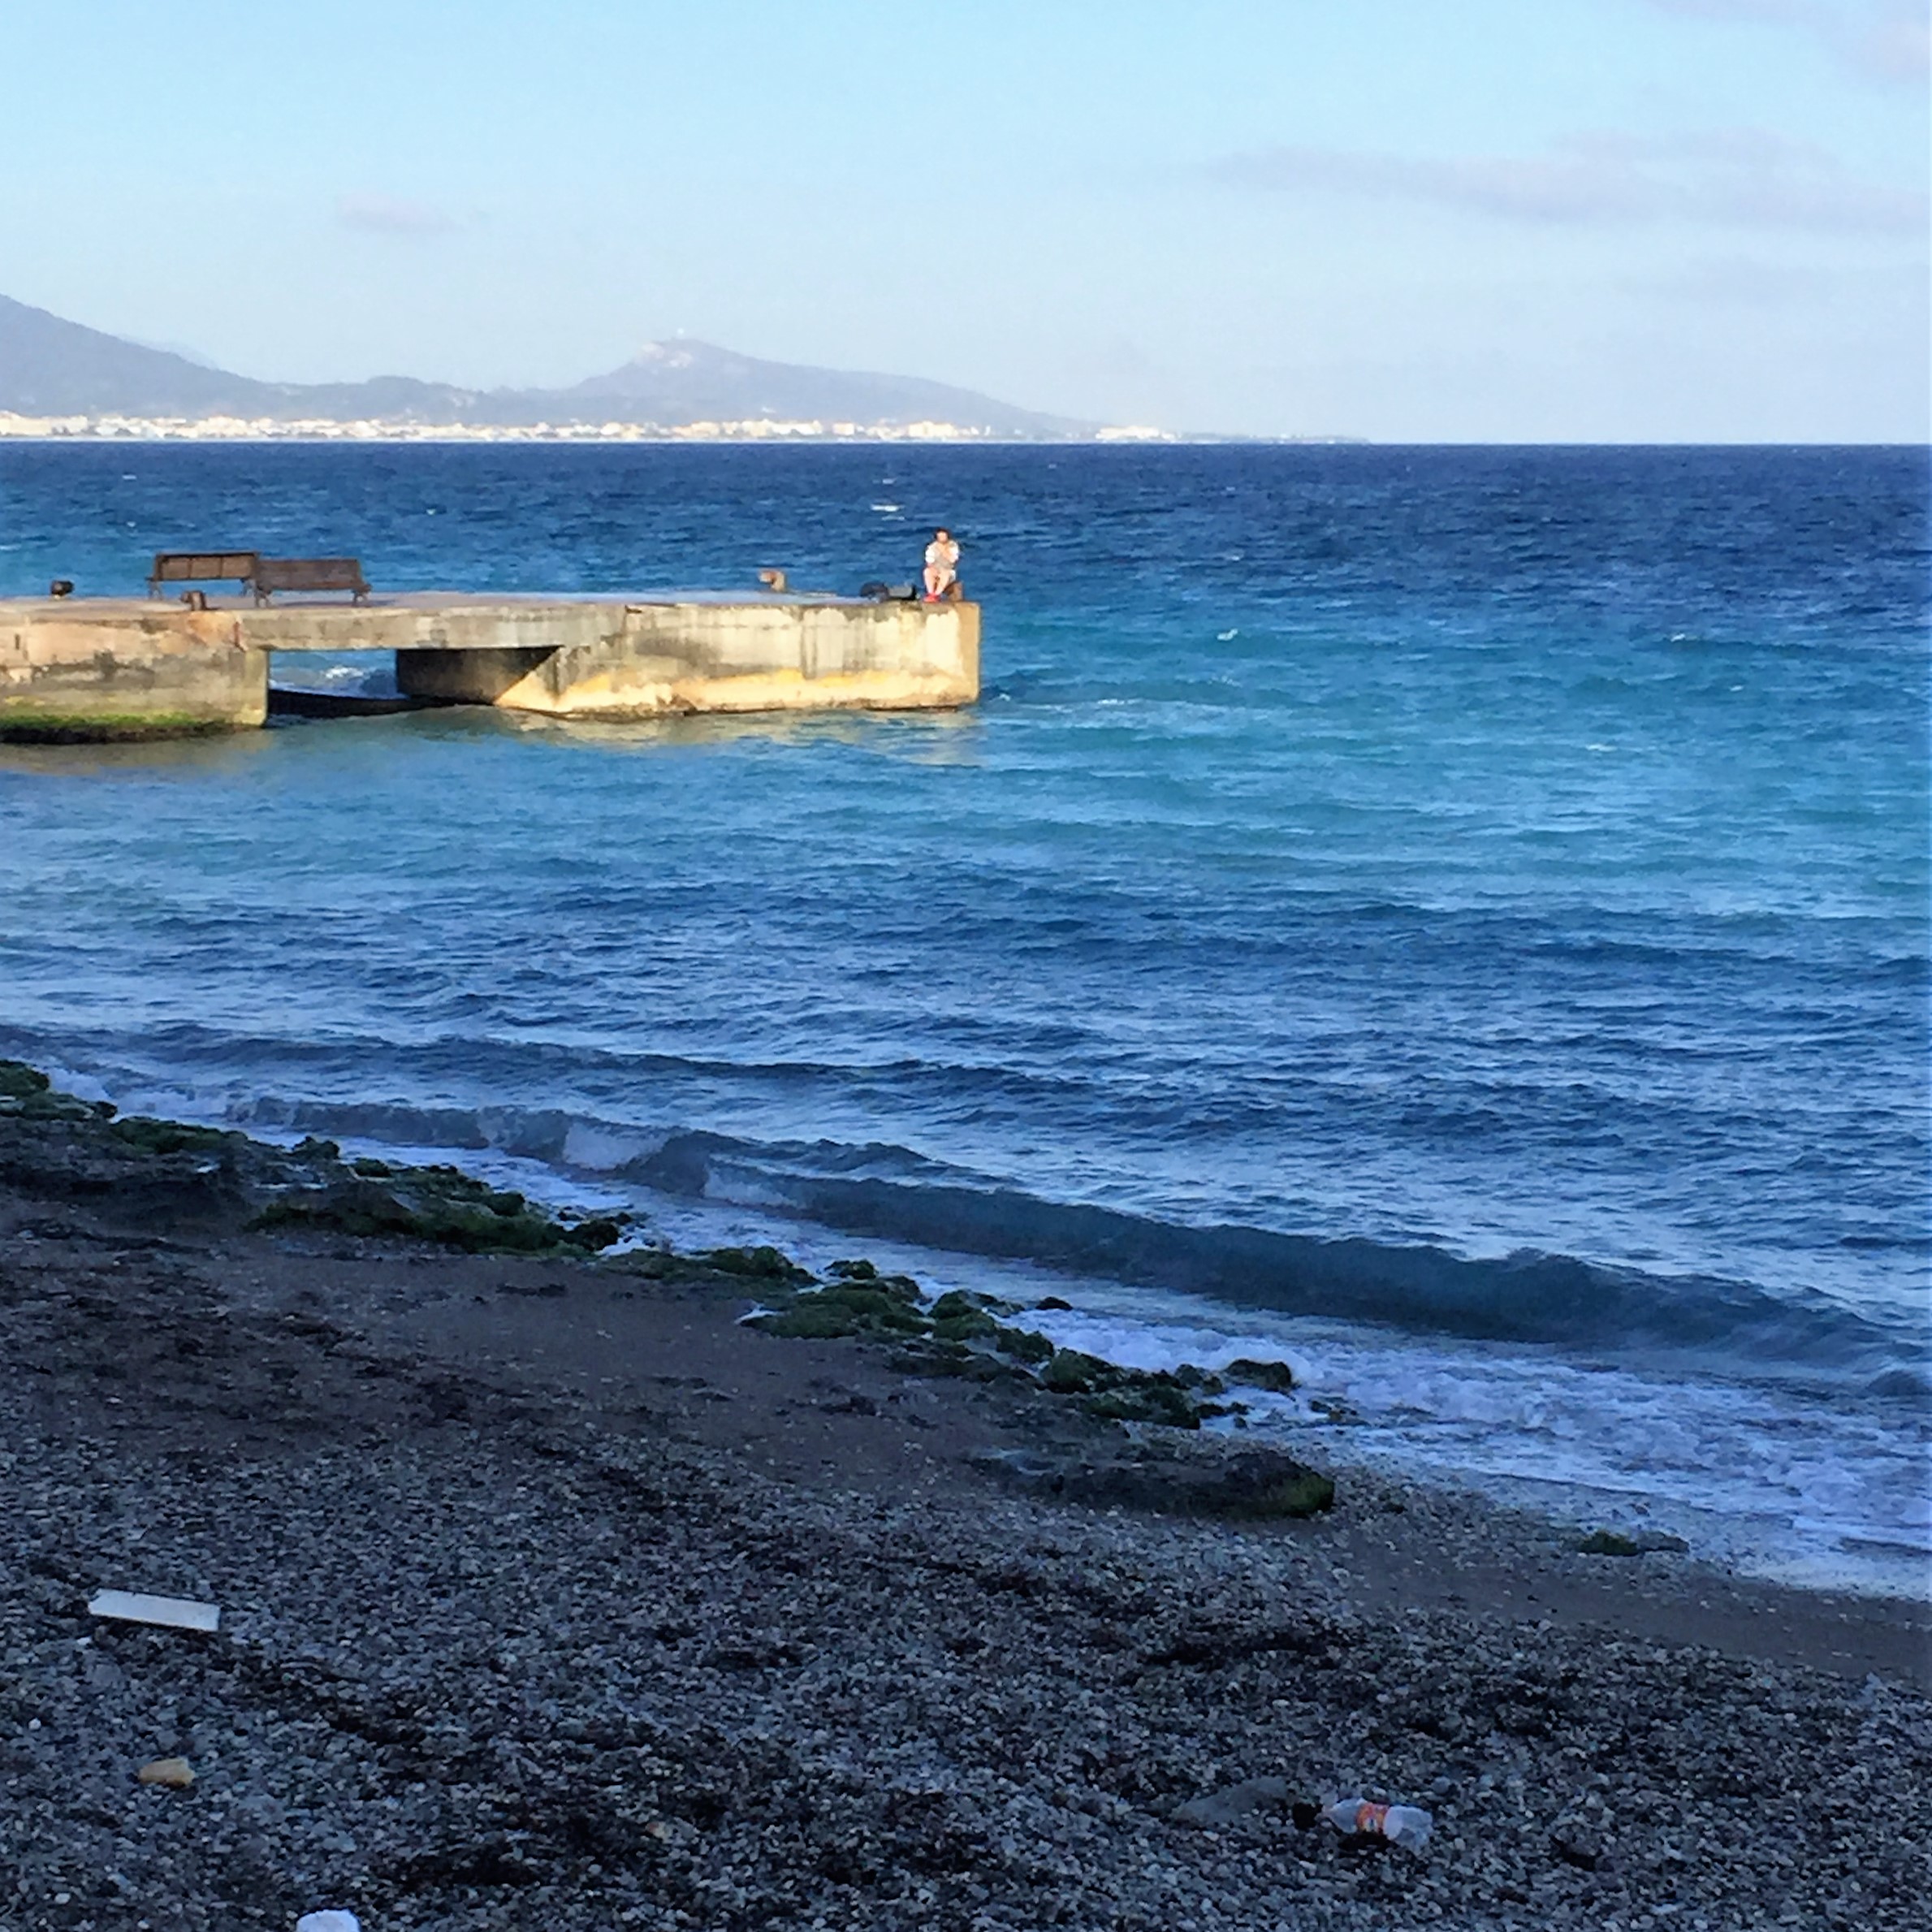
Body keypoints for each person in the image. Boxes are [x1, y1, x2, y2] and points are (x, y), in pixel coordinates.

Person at [923, 528, 962, 602]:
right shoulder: (932, 547)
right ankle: (931, 594)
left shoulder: (953, 546)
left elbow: (952, 560)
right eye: (940, 537)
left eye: (944, 537)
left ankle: (937, 594)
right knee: (927, 572)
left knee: (945, 574)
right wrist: (933, 569)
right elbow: (929, 562)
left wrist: (944, 551)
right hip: (936, 569)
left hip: (949, 571)